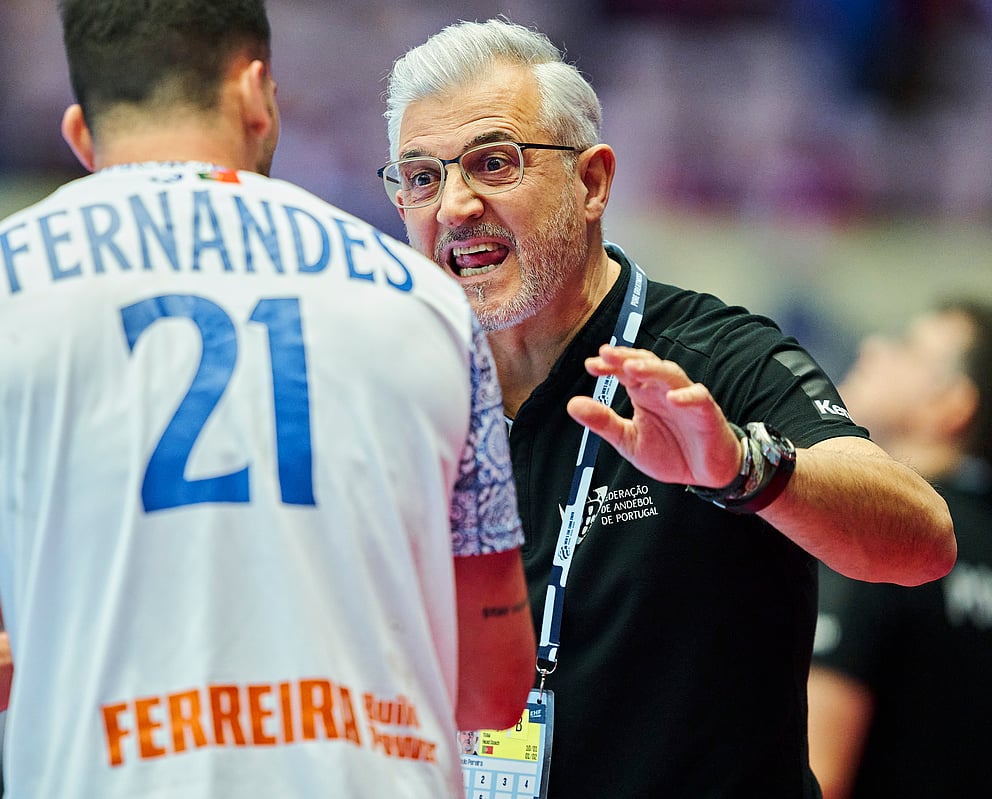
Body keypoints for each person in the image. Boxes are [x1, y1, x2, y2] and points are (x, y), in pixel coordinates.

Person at [0, 2, 537, 797]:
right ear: (258, 95)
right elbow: (493, 687)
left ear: (82, 136)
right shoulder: (427, 304)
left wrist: (69, 650)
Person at [377, 18, 956, 798]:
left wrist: (747, 469)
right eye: (420, 176)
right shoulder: (400, 387)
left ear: (592, 183)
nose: (453, 205)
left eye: (494, 163)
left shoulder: (710, 359)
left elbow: (922, 540)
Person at [808, 300, 992, 799]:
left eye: (908, 346)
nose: (874, 348)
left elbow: (821, 777)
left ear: (952, 404)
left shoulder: (871, 537)